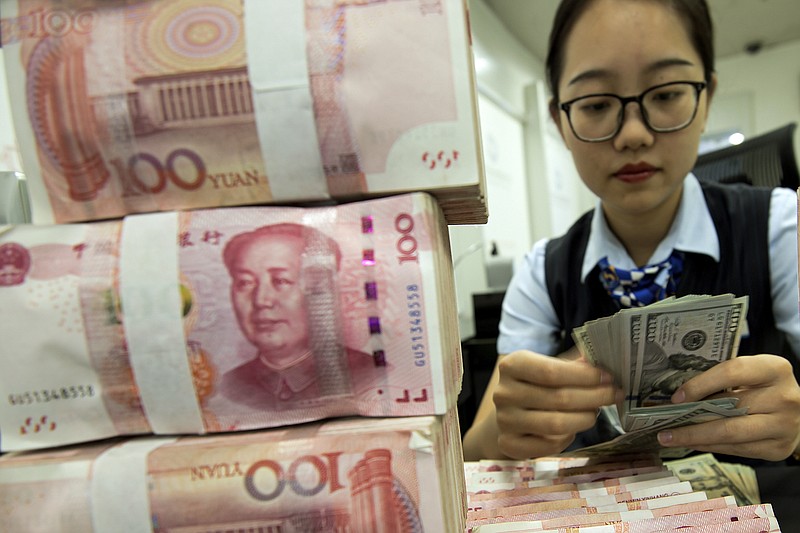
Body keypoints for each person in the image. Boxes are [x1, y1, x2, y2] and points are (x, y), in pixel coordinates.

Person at [462, 0, 800, 463]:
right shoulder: (542, 271)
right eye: (597, 104)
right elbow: (475, 451)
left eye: (665, 94)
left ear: (706, 101)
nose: (634, 134)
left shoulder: (781, 226)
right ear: (560, 121)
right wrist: (509, 428)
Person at [216, 222, 384, 410]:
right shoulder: (226, 388)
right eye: (245, 283)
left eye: (281, 280)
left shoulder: (373, 376)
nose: (261, 300)